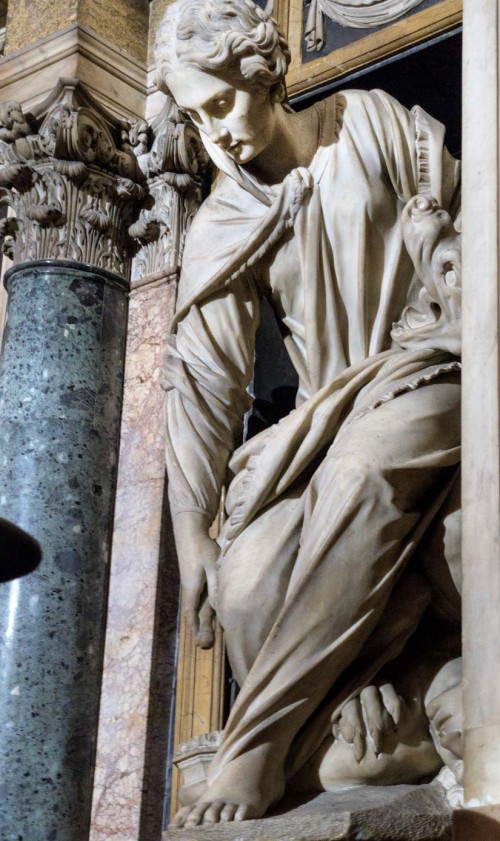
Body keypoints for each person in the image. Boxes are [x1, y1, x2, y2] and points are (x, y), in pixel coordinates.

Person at [156, 0, 462, 827]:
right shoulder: (226, 216)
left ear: (262, 75)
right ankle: (374, 709)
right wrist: (195, 536)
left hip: (438, 364)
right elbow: (206, 380)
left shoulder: (369, 123)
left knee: (368, 462)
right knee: (251, 573)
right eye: (194, 115)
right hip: (331, 415)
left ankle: (256, 745)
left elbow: (462, 236)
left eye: (220, 102)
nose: (214, 133)